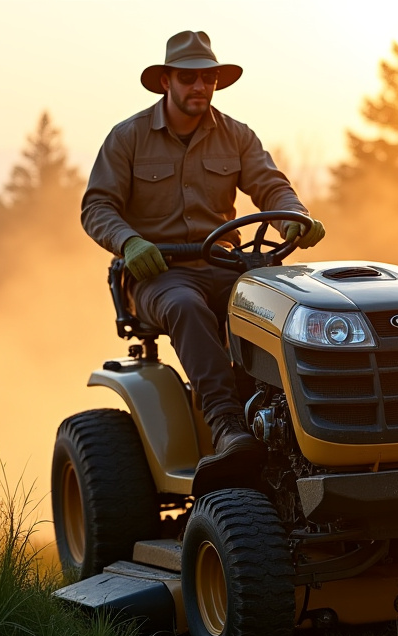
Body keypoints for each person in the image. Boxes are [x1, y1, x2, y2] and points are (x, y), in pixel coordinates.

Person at [82, 30, 325, 489]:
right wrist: (130, 243)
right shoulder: (127, 138)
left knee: (280, 302)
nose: (200, 87)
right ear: (166, 82)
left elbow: (272, 186)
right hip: (158, 275)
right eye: (189, 78)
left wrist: (293, 217)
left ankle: (301, 420)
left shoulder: (236, 135)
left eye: (208, 78)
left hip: (224, 265)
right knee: (186, 306)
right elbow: (97, 207)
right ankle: (228, 427)